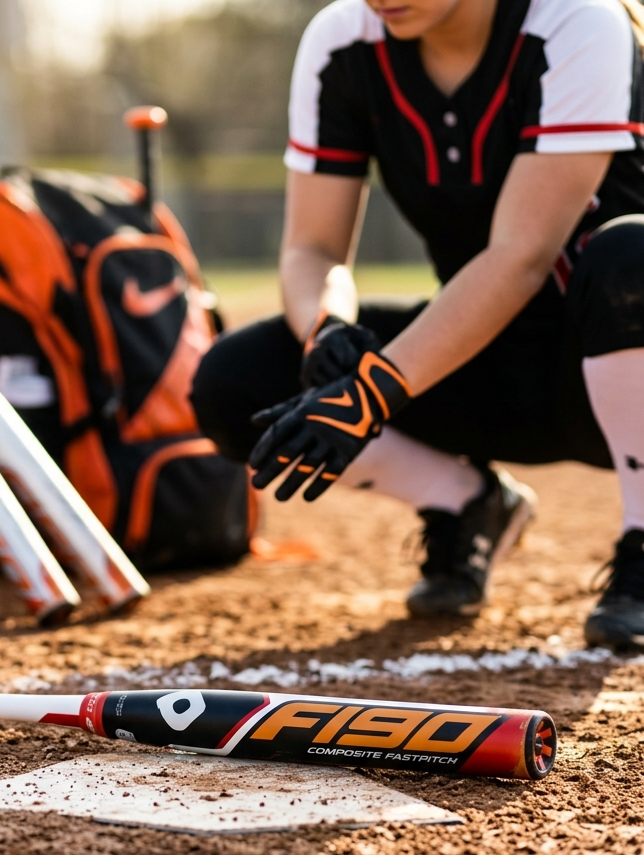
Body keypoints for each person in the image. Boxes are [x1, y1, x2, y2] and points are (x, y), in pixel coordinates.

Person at [191, 0, 644, 650]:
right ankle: (466, 502)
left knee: (630, 257)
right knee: (238, 382)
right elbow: (311, 250)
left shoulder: (577, 21)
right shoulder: (342, 40)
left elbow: (521, 257)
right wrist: (327, 330)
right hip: (484, 355)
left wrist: (370, 392)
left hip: (617, 361)